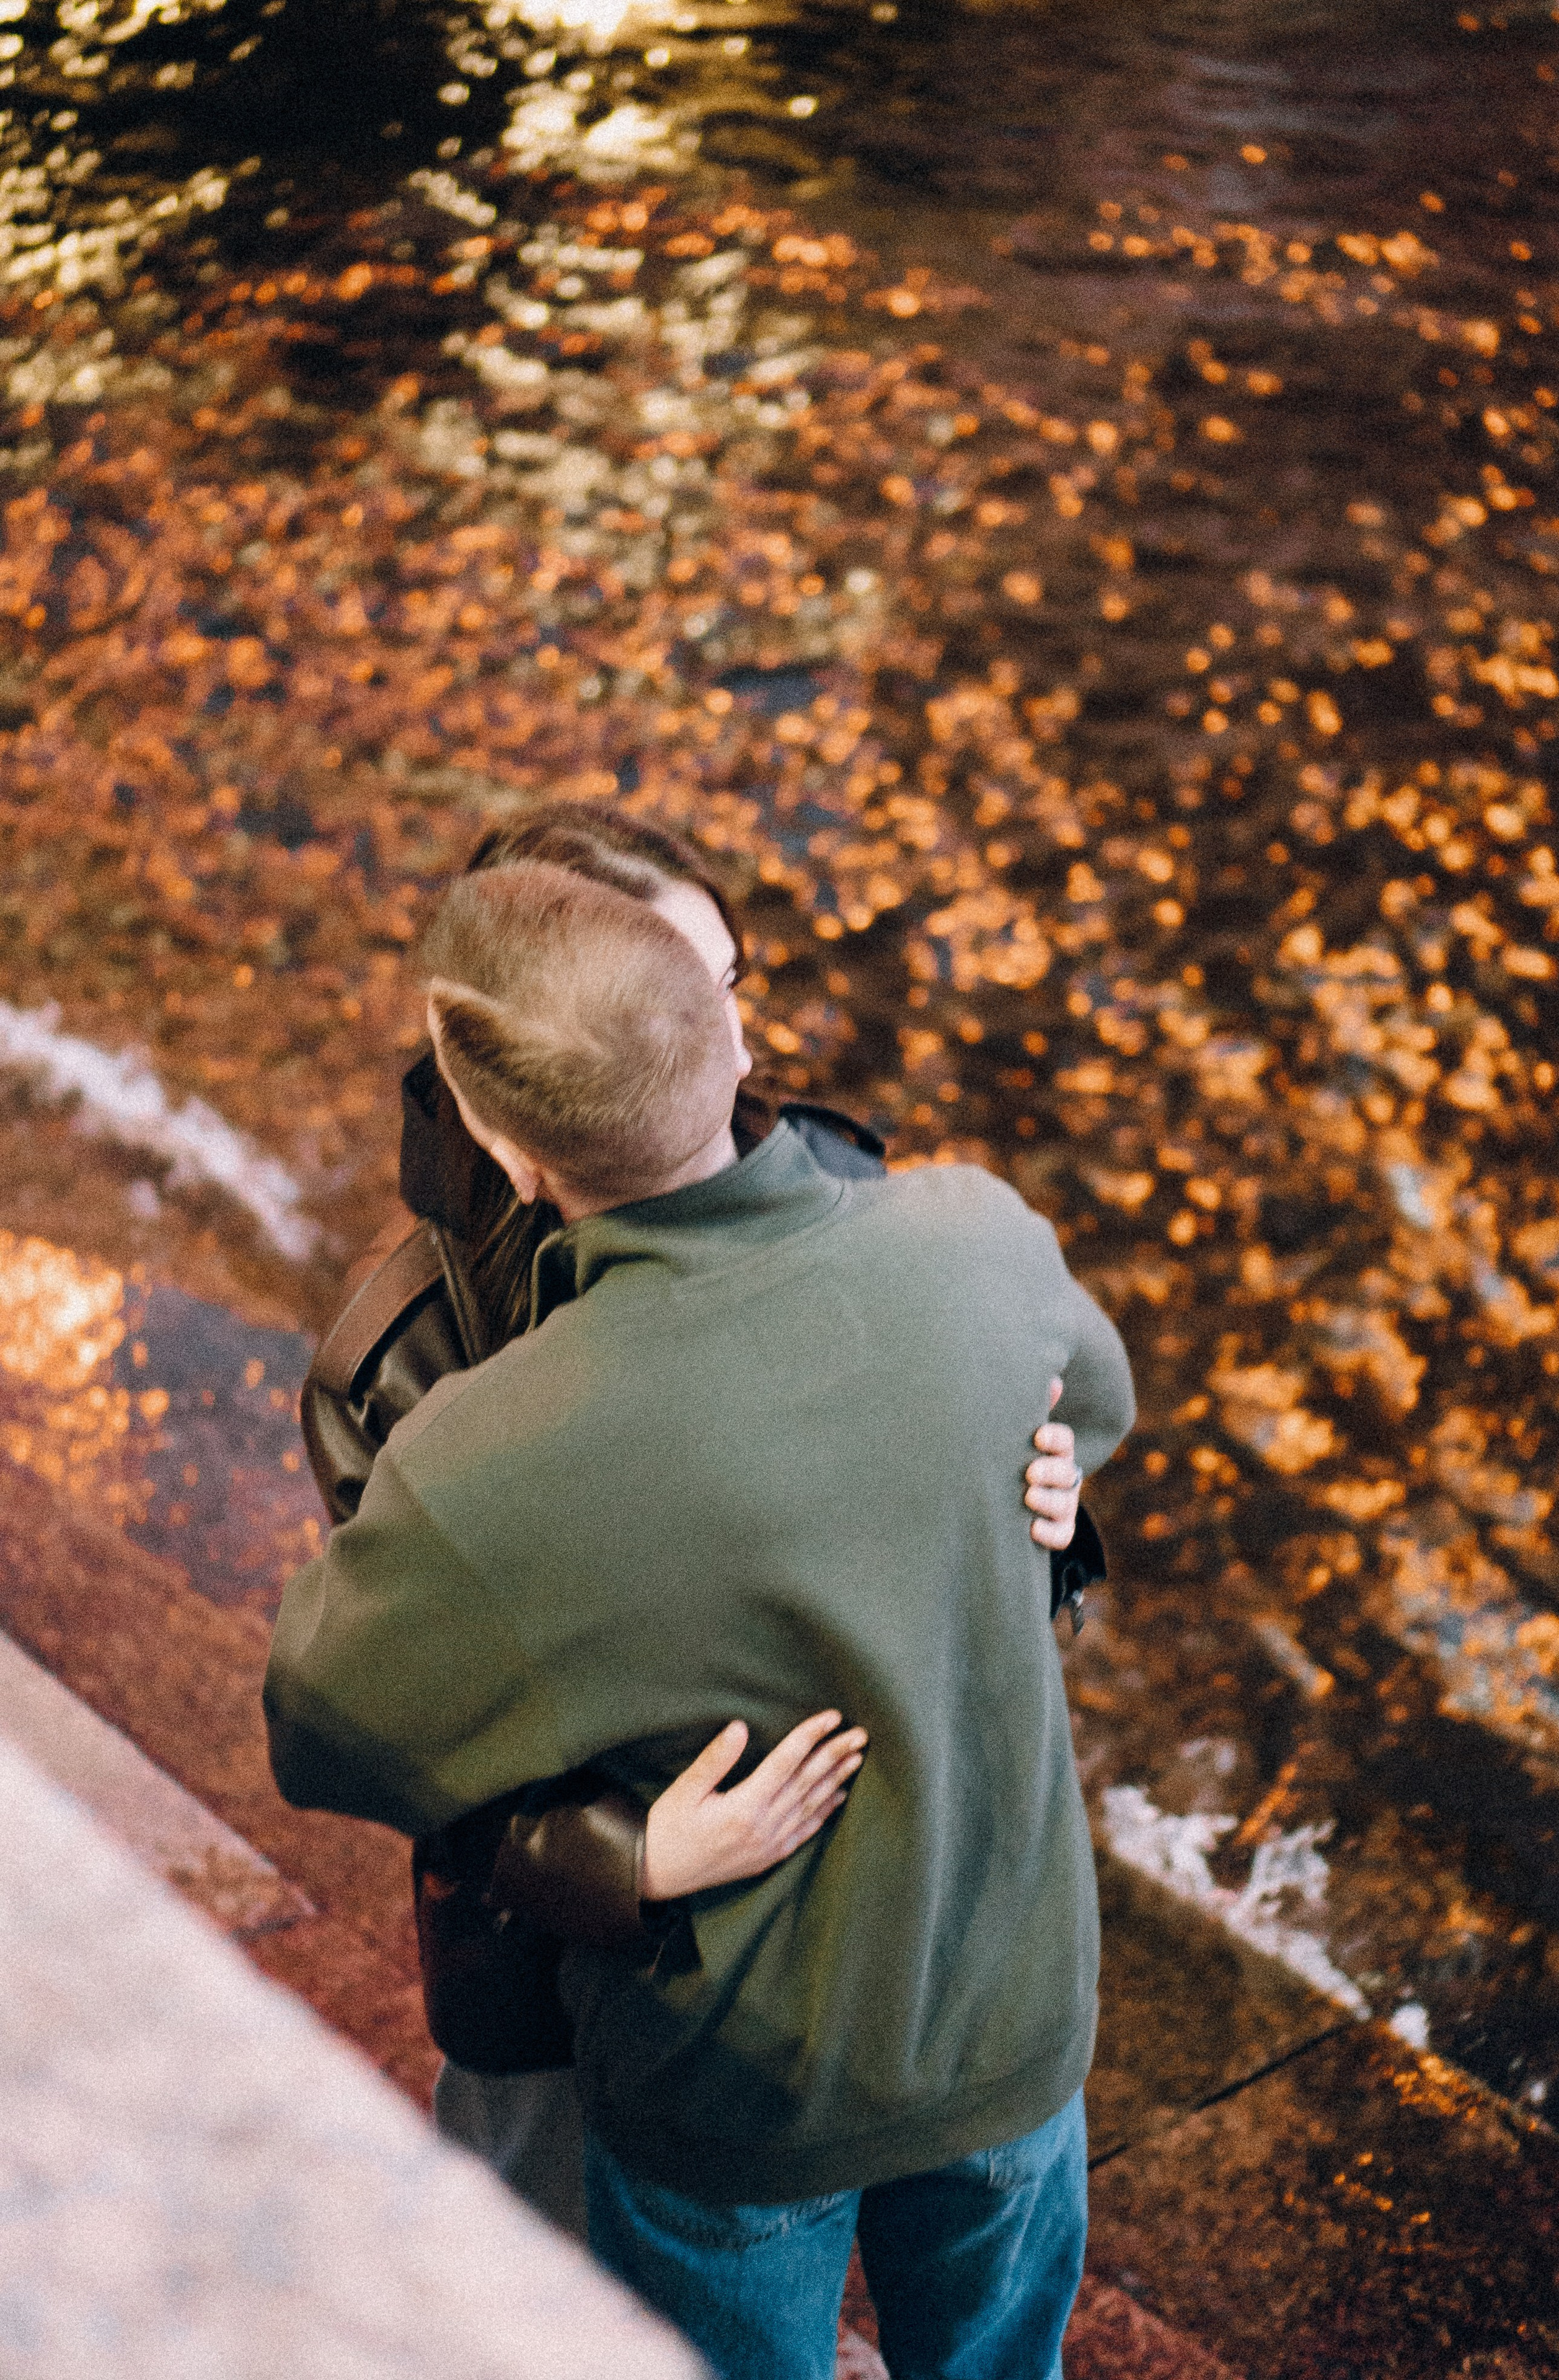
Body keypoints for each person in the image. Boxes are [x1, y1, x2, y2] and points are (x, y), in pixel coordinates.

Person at [267, 858, 1134, 2378]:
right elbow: (1096, 1400)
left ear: (503, 1142)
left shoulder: (489, 1451)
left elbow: (321, 1727)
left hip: (739, 2087)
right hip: (1011, 2030)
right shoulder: (977, 1233)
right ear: (734, 1046)